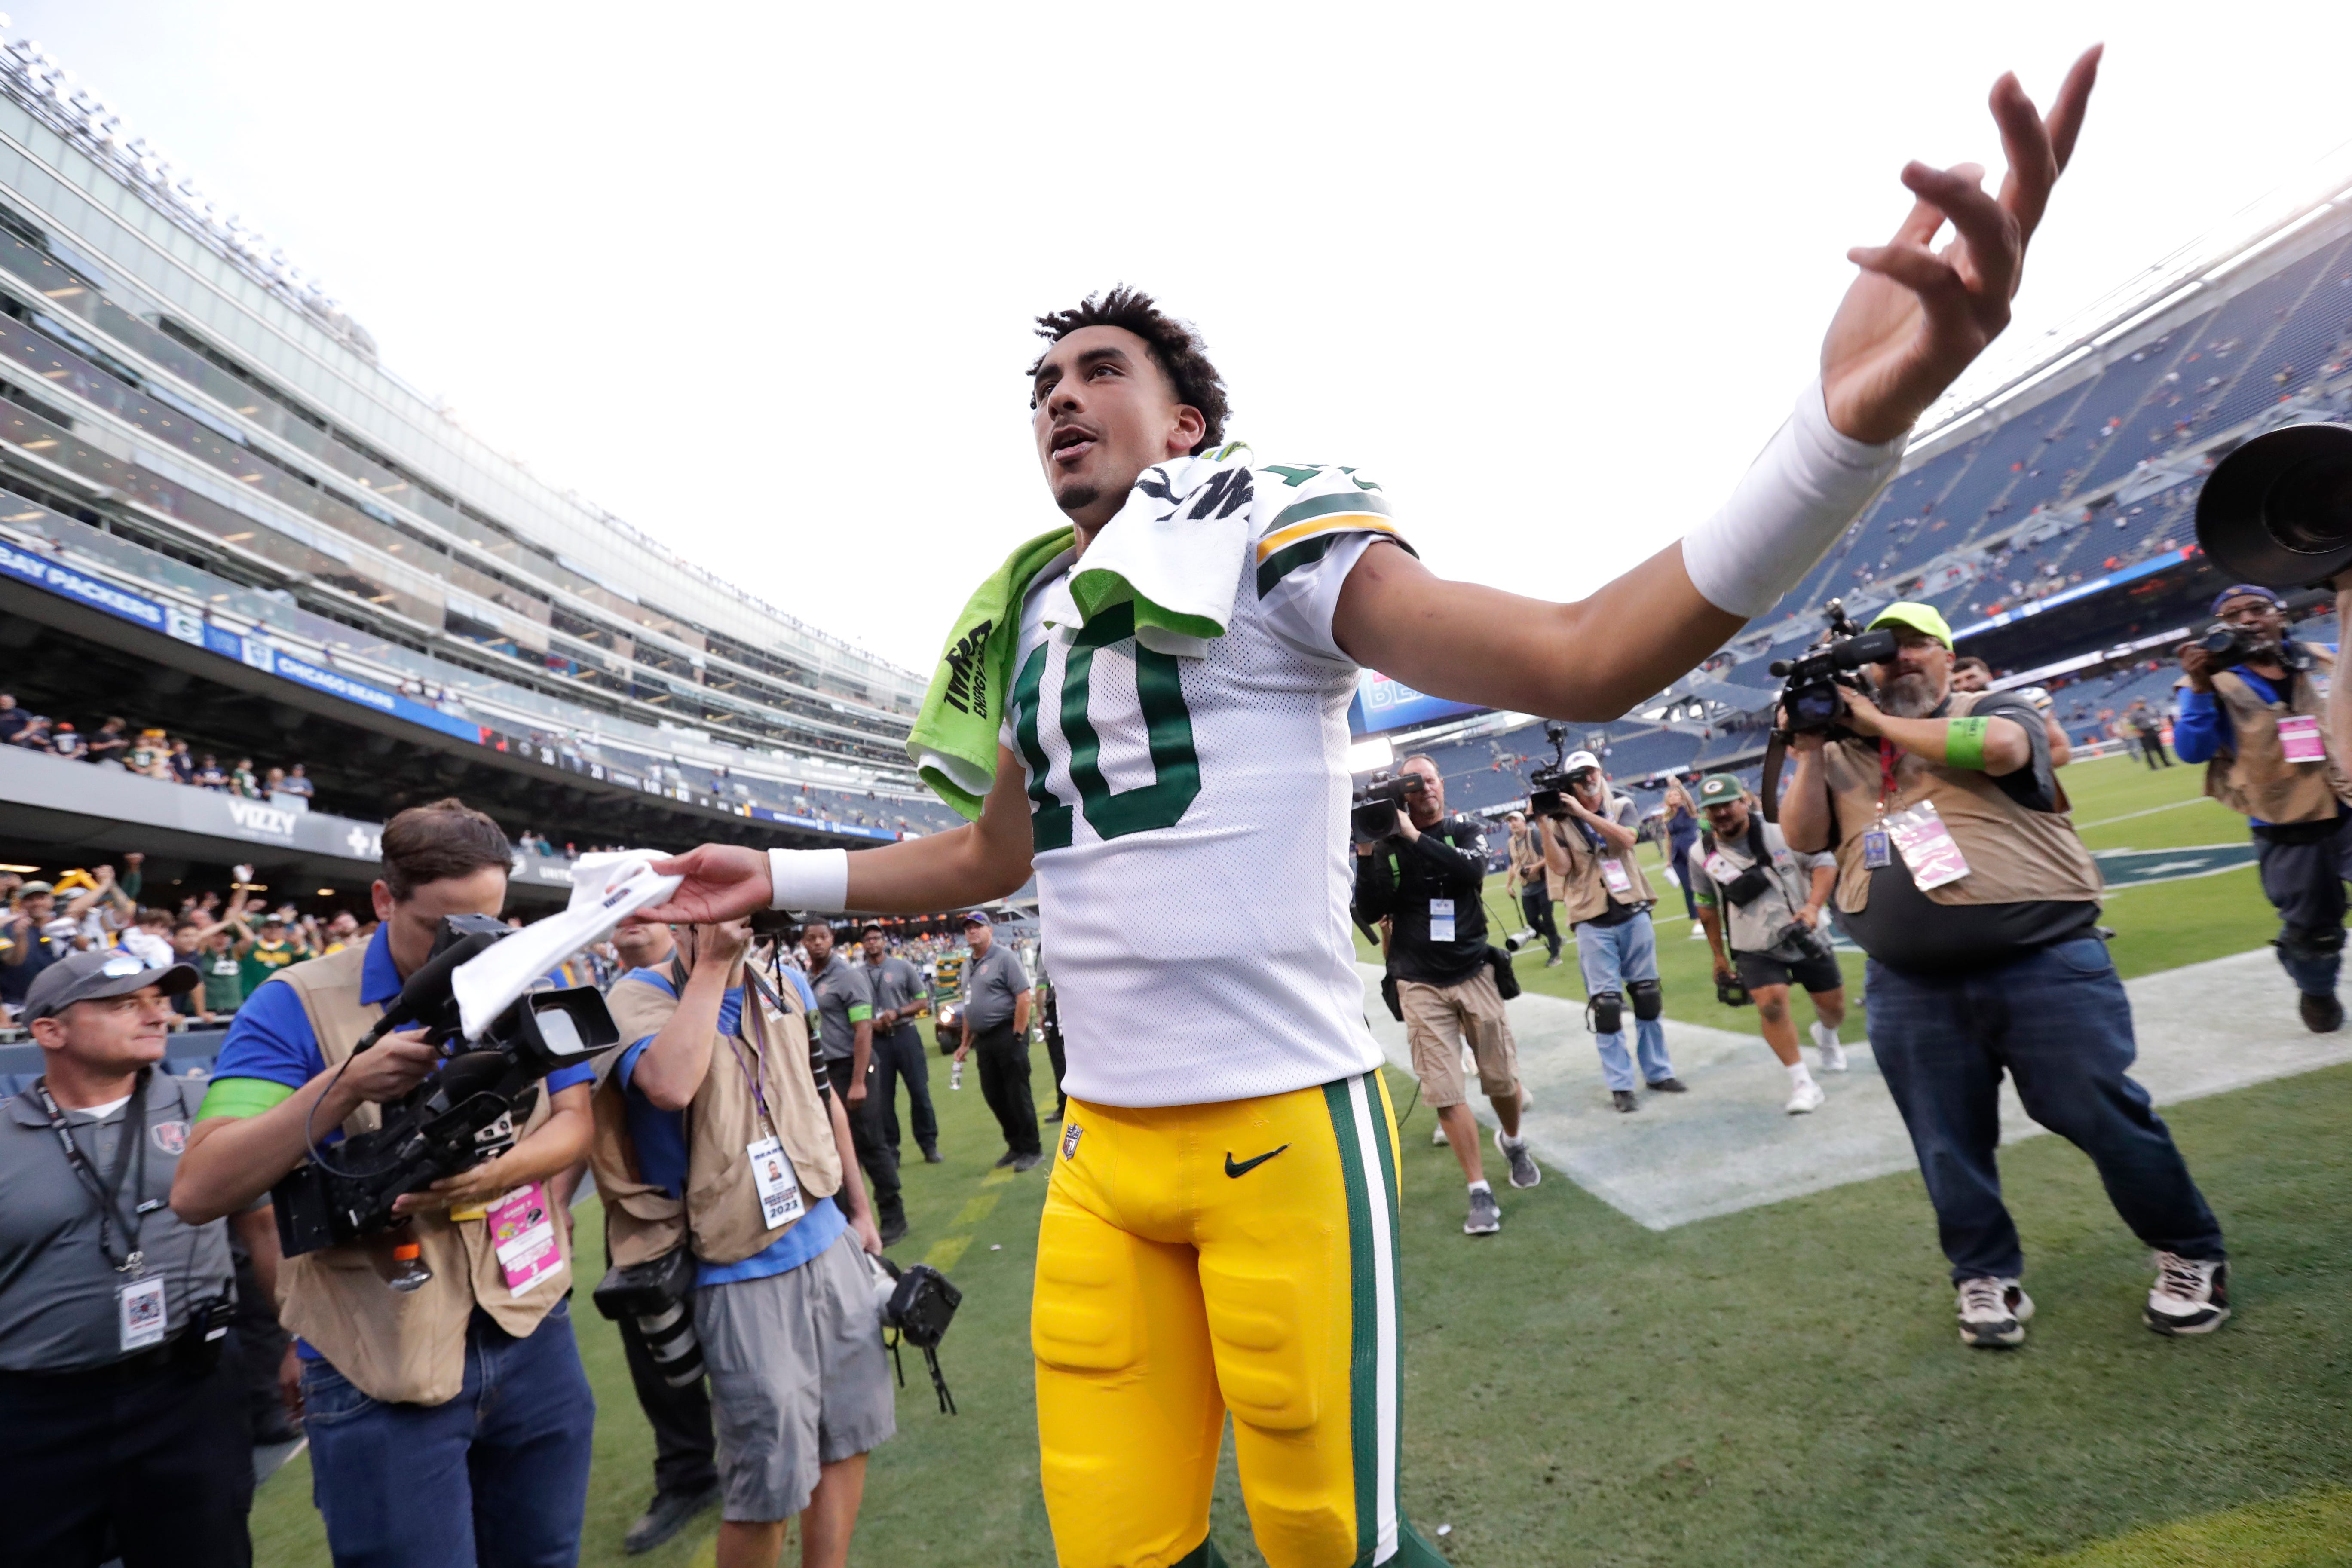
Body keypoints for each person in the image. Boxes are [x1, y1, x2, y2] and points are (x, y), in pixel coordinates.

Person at [634, 52, 2102, 1560]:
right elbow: (996, 853)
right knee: (1115, 1546)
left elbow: (1583, 655)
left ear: (1189, 423)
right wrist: (780, 875)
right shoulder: (1026, 615)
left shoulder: (1264, 520)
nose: (1060, 400)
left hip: (1275, 1123)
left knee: (1333, 1539)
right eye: (1042, 388)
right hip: (1100, 1149)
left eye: (1099, 374)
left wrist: (1840, 430)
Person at [1781, 602, 2230, 1348]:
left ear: (1945, 654)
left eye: (1914, 645)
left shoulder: (1992, 703)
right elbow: (1801, 837)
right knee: (1945, 1140)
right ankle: (1983, 1274)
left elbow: (1997, 750)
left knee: (2102, 1114)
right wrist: (1805, 747)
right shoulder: (1838, 750)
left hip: (2042, 959)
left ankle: (2189, 1251)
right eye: (1882, 651)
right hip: (1908, 982)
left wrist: (1875, 725)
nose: (1897, 660)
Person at [171, 799, 600, 1568]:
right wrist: (340, 1087)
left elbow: (575, 1120)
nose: (475, 949)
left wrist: (497, 1173)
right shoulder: (293, 1003)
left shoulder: (530, 971)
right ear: (382, 899)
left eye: (491, 922)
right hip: (379, 1355)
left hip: (531, 1322)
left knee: (545, 1556)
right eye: (445, 929)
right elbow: (201, 1186)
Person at [595, 917, 891, 1568]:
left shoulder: (782, 981)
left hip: (824, 1233)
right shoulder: (635, 999)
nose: (729, 928)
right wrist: (710, 967)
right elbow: (670, 1086)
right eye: (704, 916)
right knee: (767, 1478)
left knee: (850, 1432)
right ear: (678, 921)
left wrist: (859, 1211)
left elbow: (821, 1095)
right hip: (732, 1265)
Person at [0, 949, 260, 1568]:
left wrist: (300, 1348)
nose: (154, 1015)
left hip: (190, 1389)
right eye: (123, 1004)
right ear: (49, 1030)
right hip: (37, 1409)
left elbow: (265, 1228)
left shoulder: (211, 1111)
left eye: (158, 1001)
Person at [1352, 754, 1536, 1234]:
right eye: (1413, 784)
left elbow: (1471, 873)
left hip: (1473, 968)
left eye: (1429, 780)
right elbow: (1371, 911)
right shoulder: (1388, 848)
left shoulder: (1464, 829)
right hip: (1418, 979)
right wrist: (1368, 851)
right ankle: (1479, 1190)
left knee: (1501, 1079)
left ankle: (1513, 1141)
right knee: (1444, 1088)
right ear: (1402, 795)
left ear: (1440, 784)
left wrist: (1412, 835)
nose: (1425, 789)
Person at [593, 917, 723, 1556]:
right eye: (616, 908)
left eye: (643, 904)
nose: (629, 920)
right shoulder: (614, 1001)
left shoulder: (723, 975)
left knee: (750, 1344)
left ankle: (759, 1453)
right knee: (660, 1361)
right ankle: (689, 1471)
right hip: (650, 1210)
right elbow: (579, 1113)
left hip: (736, 1202)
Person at [2173, 582, 2352, 1032]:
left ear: (2281, 614)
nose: (2248, 620)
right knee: (2315, 933)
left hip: (2348, 798)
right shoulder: (2210, 680)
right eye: (2234, 616)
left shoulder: (2328, 656)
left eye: (2257, 609)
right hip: (2286, 818)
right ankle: (2316, 990)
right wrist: (2198, 686)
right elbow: (2193, 750)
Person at [1686, 774, 1847, 1113]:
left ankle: (1828, 1037)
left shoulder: (1782, 829)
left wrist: (1813, 907)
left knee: (1834, 1008)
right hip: (1753, 944)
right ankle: (1802, 1082)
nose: (1722, 813)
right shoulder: (1701, 853)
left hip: (1805, 933)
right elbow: (1707, 907)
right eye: (1713, 808)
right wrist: (1718, 956)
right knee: (1770, 1004)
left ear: (1744, 801)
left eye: (1728, 804)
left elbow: (1824, 864)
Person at [1538, 751, 1682, 1112]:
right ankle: (1620, 1086)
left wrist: (1583, 814)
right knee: (1606, 1006)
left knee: (1647, 995)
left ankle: (1659, 1071)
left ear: (1600, 772)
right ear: (1570, 783)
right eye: (1579, 775)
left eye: (1591, 771)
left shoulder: (1622, 806)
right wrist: (1543, 822)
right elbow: (1561, 867)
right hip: (1591, 918)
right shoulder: (1558, 823)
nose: (1588, 778)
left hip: (1632, 908)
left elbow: (1626, 841)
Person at [803, 920, 906, 1246]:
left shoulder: (847, 975)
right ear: (803, 942)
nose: (817, 943)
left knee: (871, 1143)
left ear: (832, 939)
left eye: (822, 937)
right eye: (811, 938)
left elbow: (863, 1029)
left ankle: (893, 1217)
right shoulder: (809, 978)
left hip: (854, 1067)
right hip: (827, 1071)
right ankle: (851, 1222)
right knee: (837, 1148)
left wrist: (859, 1081)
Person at [952, 910, 1037, 1171]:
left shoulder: (1004, 958)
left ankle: (1032, 1149)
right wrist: (965, 1043)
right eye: (968, 928)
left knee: (1017, 1093)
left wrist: (1018, 1034)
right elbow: (969, 1008)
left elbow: (1024, 996)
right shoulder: (967, 965)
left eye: (978, 927)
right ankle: (1015, 1145)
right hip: (984, 1040)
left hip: (1007, 1033)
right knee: (994, 1095)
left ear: (990, 930)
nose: (972, 931)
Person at [859, 923, 940, 1164]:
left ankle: (929, 1145)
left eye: (876, 938)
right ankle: (891, 1151)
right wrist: (871, 1024)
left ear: (884, 942)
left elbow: (922, 1001)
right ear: (863, 945)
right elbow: (853, 1010)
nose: (873, 943)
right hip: (878, 1041)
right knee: (883, 1100)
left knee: (920, 1092)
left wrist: (898, 1012)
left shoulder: (902, 966)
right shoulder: (857, 975)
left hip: (906, 1035)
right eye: (868, 940)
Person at [1501, 808, 1562, 965]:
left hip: (1544, 883)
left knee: (1548, 920)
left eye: (1516, 820)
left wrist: (1536, 867)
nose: (1513, 824)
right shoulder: (1511, 843)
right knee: (1532, 922)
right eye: (1510, 821)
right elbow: (1514, 865)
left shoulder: (1534, 834)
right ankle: (1555, 939)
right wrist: (1508, 886)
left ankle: (1555, 955)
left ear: (1524, 822)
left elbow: (1550, 854)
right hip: (1527, 888)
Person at [1662, 778, 1705, 936]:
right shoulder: (1668, 817)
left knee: (1701, 884)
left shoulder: (1689, 811)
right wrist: (1669, 860)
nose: (1674, 797)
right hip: (1678, 856)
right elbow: (1668, 839)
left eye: (1676, 795)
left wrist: (1679, 786)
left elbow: (1689, 800)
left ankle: (1711, 913)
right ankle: (1697, 919)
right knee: (1688, 888)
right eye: (1671, 795)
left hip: (1693, 851)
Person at [2123, 696, 2172, 769]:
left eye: (2142, 703)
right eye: (2139, 703)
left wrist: (2159, 727)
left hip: (2153, 730)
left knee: (2160, 748)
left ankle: (2166, 763)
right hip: (2144, 733)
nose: (2141, 704)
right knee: (2148, 751)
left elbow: (2157, 718)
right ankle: (2153, 766)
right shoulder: (2134, 714)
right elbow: (2132, 726)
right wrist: (2138, 732)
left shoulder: (2150, 710)